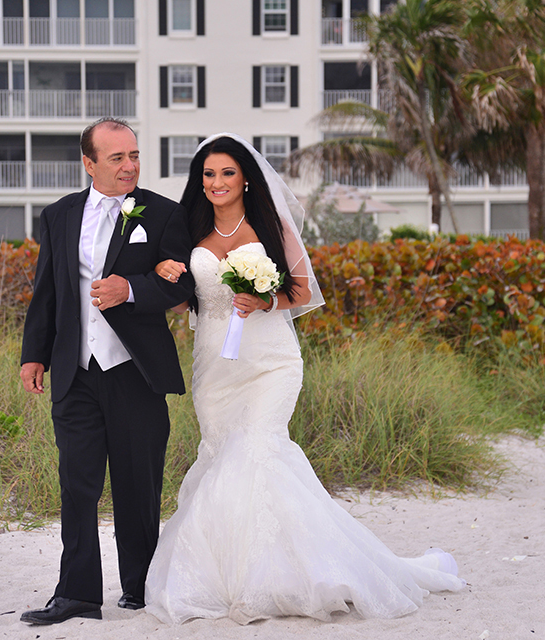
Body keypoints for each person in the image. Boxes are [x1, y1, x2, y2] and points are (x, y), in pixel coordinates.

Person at [145, 134, 465, 624]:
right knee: (220, 459)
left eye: (226, 173)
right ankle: (228, 578)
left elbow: (303, 289)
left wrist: (265, 300)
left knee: (258, 451)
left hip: (271, 361)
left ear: (245, 177)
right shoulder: (189, 229)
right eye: (208, 174)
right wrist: (167, 270)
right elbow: (179, 297)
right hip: (215, 365)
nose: (216, 183)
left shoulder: (269, 226)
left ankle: (275, 582)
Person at [18, 118, 194, 625]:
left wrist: (133, 289)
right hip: (75, 370)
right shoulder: (58, 216)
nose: (130, 165)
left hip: (134, 372)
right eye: (116, 157)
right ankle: (76, 595)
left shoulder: (162, 214)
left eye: (134, 155)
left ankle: (140, 586)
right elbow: (47, 293)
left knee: (138, 484)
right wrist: (35, 355)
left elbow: (184, 289)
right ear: (88, 163)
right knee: (77, 483)